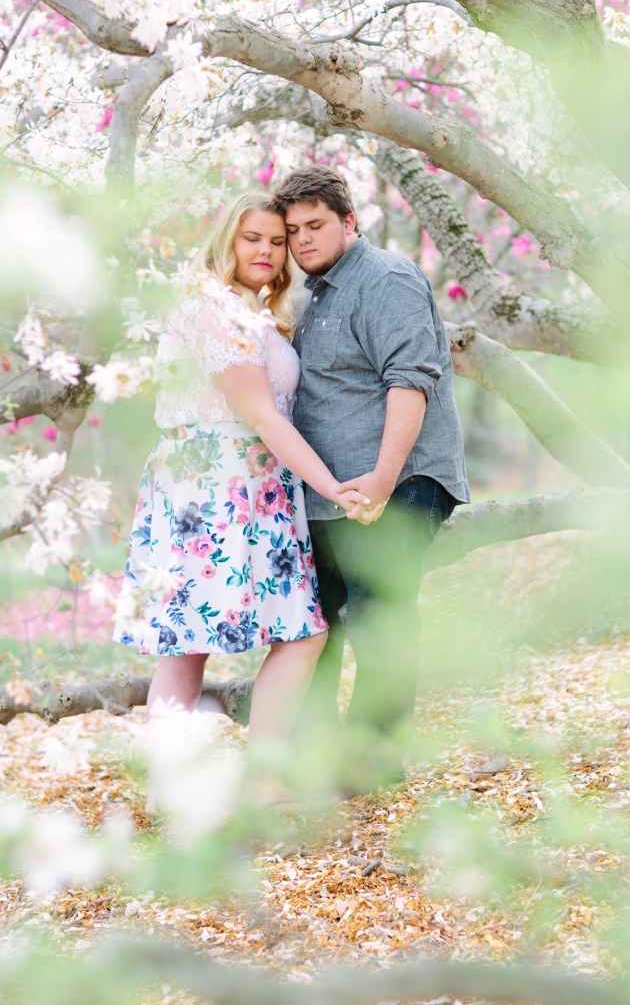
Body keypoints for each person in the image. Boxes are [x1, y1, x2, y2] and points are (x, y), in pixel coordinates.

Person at [113, 191, 372, 804]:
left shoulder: (253, 311)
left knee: (300, 634)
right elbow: (263, 416)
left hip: (260, 491)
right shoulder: (212, 309)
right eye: (251, 237)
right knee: (189, 643)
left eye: (277, 241)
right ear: (227, 240)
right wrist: (331, 485)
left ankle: (261, 779)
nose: (267, 250)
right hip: (211, 488)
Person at [272, 165, 470, 791]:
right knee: (316, 628)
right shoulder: (318, 293)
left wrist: (384, 481)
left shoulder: (385, 279)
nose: (302, 239)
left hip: (396, 484)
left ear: (349, 220)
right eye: (292, 230)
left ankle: (370, 768)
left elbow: (409, 381)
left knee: (381, 623)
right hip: (331, 494)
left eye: (316, 225)